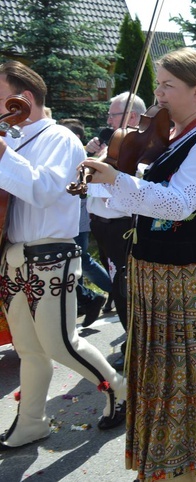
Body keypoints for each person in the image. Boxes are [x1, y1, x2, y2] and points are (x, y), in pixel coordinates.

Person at [83, 47, 196, 480]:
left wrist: (119, 178)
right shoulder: (174, 138)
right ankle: (165, 463)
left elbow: (177, 204)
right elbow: (142, 203)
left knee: (189, 375)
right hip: (162, 274)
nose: (158, 95)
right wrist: (107, 182)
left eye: (168, 86)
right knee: (165, 372)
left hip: (194, 279)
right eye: (158, 84)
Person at [0, 60, 125, 450]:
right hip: (13, 254)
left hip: (52, 252)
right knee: (29, 349)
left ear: (23, 99)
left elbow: (46, 190)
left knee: (60, 343)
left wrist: (2, 152)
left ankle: (119, 388)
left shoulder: (59, 139)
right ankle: (31, 421)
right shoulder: (13, 141)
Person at [84, 92, 146, 371]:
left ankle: (135, 344)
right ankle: (130, 341)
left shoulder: (139, 147)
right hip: (102, 226)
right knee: (118, 289)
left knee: (126, 289)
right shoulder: (113, 143)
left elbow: (122, 189)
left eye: (113, 114)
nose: (107, 120)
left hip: (122, 226)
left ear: (131, 117)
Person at [59, 118, 109, 328]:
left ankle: (112, 291)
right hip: (71, 220)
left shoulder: (77, 155)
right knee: (75, 262)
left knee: (81, 261)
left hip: (77, 221)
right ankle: (86, 299)